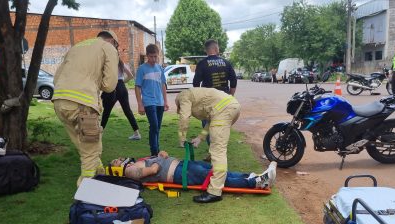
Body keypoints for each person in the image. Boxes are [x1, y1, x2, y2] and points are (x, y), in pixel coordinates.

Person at [52, 30, 119, 186]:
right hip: (83, 103)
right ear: (113, 42)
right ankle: (86, 187)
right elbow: (109, 86)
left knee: (84, 144)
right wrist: (94, 84)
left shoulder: (76, 47)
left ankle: (100, 173)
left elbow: (56, 78)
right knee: (90, 147)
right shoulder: (108, 48)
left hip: (60, 101)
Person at [175, 87, 241, 203]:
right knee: (218, 148)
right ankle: (219, 183)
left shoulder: (182, 97)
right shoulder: (196, 95)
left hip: (225, 110)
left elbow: (184, 117)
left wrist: (182, 137)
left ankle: (215, 192)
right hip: (230, 107)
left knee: (217, 150)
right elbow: (212, 119)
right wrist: (200, 138)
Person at [110, 151, 277, 189]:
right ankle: (257, 182)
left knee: (215, 171)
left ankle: (251, 176)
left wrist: (161, 154)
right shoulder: (129, 171)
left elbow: (157, 159)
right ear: (117, 170)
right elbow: (151, 170)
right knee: (214, 177)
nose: (117, 159)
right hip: (179, 174)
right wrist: (157, 163)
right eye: (114, 162)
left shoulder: (137, 162)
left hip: (182, 166)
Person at [193, 39, 237, 161]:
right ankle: (217, 153)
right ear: (216, 49)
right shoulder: (226, 63)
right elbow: (233, 81)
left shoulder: (202, 64)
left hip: (208, 102)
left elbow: (196, 83)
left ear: (206, 50)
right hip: (224, 101)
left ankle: (213, 152)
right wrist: (230, 96)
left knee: (207, 126)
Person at [100, 38, 141, 140]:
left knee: (106, 111)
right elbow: (131, 75)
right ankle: (137, 133)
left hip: (113, 87)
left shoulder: (109, 64)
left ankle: (99, 134)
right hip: (122, 87)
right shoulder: (121, 63)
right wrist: (122, 82)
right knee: (127, 110)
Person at [135, 44, 169, 156]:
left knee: (157, 128)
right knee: (154, 125)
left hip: (160, 102)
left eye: (156, 56)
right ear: (147, 56)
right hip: (149, 102)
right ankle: (154, 152)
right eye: (151, 56)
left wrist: (166, 101)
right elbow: (137, 87)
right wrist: (140, 104)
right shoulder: (141, 69)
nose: (154, 59)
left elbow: (163, 85)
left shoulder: (160, 68)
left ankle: (157, 151)